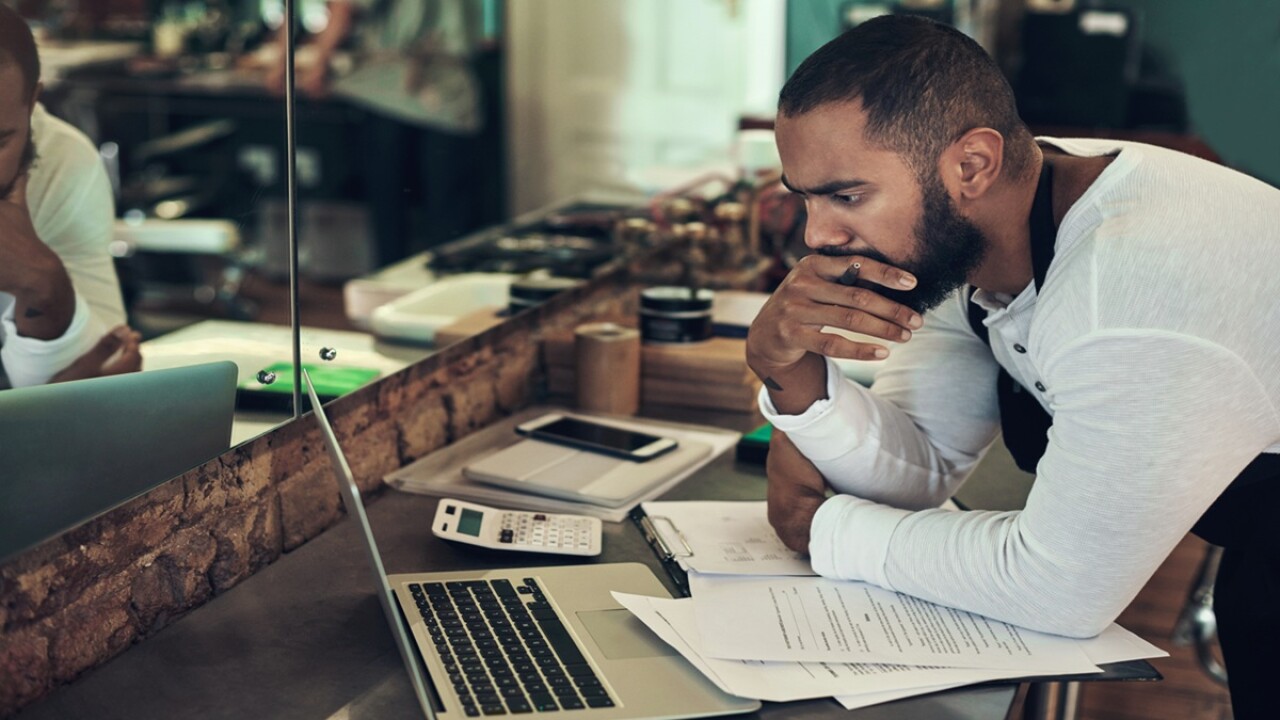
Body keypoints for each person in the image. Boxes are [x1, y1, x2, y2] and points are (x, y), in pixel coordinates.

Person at [746, 15, 1279, 718]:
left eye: (846, 196)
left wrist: (824, 529)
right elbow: (923, 466)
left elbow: (1063, 589)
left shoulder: (1126, 286)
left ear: (972, 165)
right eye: (805, 198)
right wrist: (787, 372)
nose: (818, 235)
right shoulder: (973, 233)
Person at [261, 0, 490, 266]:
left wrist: (312, 65)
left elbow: (344, 6)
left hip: (392, 88)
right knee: (449, 217)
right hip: (453, 88)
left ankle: (394, 297)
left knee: (391, 216)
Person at [0, 5, 139, 387]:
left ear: (31, 105)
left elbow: (104, 380)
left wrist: (44, 284)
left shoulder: (62, 159)